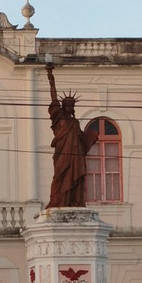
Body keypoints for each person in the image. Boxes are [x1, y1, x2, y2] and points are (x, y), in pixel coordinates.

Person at [46, 62, 98, 208]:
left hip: (76, 156)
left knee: (75, 179)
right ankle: (59, 201)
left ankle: (73, 201)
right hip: (62, 154)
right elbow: (54, 98)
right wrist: (51, 78)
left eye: (72, 105)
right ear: (63, 106)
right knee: (59, 177)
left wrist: (90, 137)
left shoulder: (75, 122)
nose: (70, 107)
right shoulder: (58, 117)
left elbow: (81, 138)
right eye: (67, 104)